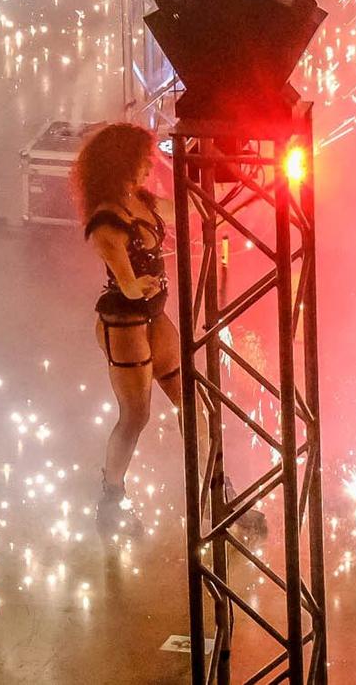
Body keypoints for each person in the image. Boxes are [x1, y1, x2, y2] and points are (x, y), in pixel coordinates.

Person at [75, 122, 262, 538]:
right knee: (136, 415)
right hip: (125, 323)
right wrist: (134, 285)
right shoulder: (109, 216)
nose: (148, 166)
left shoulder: (140, 201)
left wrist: (237, 186)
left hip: (154, 320)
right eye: (141, 160)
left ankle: (219, 491)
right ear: (121, 162)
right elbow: (123, 278)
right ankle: (111, 499)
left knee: (195, 408)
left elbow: (189, 209)